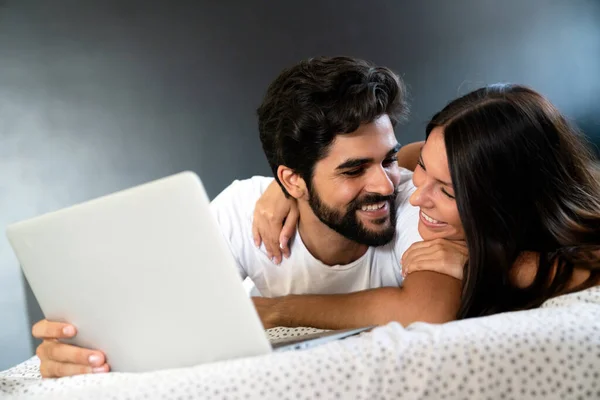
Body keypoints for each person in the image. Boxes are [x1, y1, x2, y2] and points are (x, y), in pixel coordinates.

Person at [32, 57, 464, 378]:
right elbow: (158, 311)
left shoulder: (417, 200)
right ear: (291, 181)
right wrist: (80, 348)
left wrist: (275, 311)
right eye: (354, 169)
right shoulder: (244, 209)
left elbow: (429, 308)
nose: (386, 185)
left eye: (386, 159)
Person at [254, 83, 600, 321]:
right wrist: (294, 188)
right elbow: (408, 154)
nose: (415, 197)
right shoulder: (436, 166)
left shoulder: (565, 259)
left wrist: (487, 260)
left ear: (510, 201)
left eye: (447, 192)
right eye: (423, 170)